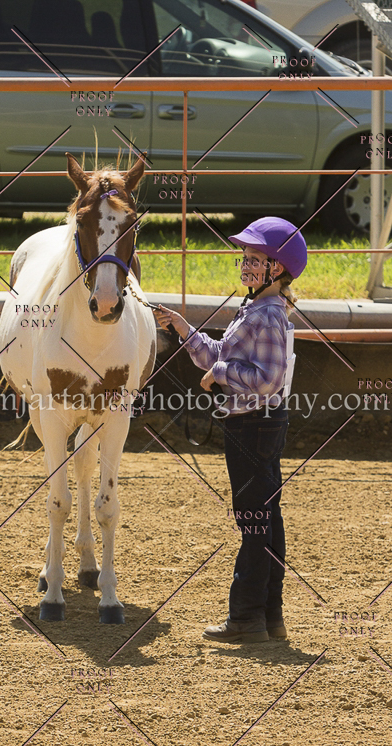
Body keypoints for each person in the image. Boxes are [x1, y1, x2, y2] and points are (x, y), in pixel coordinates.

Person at [153, 217, 307, 644]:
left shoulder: (268, 313)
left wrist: (220, 374)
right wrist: (183, 328)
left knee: (254, 520)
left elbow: (268, 379)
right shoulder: (258, 308)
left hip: (254, 424)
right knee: (266, 518)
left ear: (276, 268)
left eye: (255, 258)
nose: (246, 264)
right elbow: (219, 353)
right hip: (256, 424)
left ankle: (245, 618)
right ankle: (269, 616)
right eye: (245, 257)